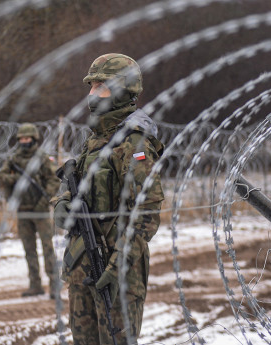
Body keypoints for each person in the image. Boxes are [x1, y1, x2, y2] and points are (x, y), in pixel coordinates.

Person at [52, 53, 164, 344]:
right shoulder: (94, 138)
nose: (91, 95)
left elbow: (147, 213)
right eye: (91, 87)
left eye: (99, 87)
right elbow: (80, 184)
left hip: (117, 268)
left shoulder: (133, 142)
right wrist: (62, 203)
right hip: (82, 261)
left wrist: (118, 266)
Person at [0, 123, 59, 298]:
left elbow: (53, 180)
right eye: (22, 139)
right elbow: (2, 177)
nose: (24, 141)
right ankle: (35, 284)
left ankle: (54, 285)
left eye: (27, 138)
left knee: (47, 248)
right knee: (29, 249)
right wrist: (16, 178)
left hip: (40, 210)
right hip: (23, 210)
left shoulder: (42, 158)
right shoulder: (13, 159)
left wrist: (44, 200)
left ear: (33, 139)